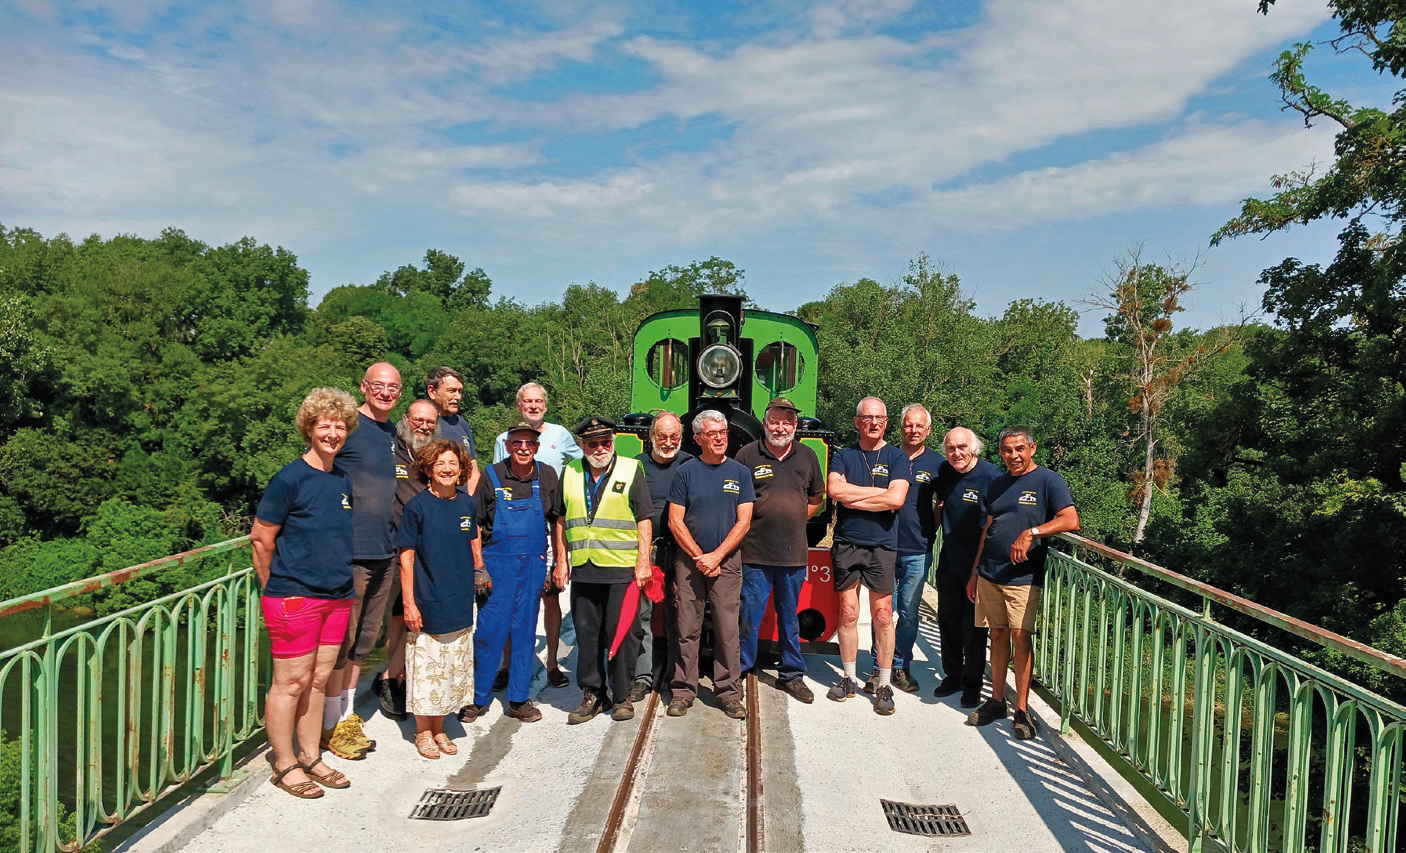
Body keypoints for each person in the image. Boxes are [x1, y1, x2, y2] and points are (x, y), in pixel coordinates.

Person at [250, 387, 360, 799]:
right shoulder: (289, 479)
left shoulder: (341, 479)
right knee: (289, 684)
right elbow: (261, 539)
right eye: (323, 425)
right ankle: (285, 764)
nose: (332, 432)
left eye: (338, 425)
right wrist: (272, 591)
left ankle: (311, 756)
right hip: (294, 596)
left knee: (316, 681)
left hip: (337, 595)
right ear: (309, 429)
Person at [965, 426, 1079, 740]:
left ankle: (1022, 710)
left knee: (1020, 637)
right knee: (997, 635)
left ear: (1032, 449)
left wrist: (1032, 533)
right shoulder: (998, 483)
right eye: (1006, 450)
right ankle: (997, 701)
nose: (1013, 456)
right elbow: (988, 528)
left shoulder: (1049, 481)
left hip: (1023, 576)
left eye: (1019, 449)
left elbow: (1070, 519)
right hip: (990, 572)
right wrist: (975, 571)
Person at [461, 423, 565, 724]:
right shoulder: (490, 476)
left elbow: (557, 521)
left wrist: (557, 562)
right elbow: (474, 525)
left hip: (532, 566)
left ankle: (519, 700)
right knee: (489, 632)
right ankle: (479, 698)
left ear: (537, 446)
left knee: (524, 633)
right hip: (497, 566)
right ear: (508, 446)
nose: (523, 448)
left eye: (529, 443)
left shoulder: (547, 475)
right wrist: (478, 566)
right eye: (517, 443)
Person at [323, 363, 401, 759]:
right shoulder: (348, 425)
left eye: (392, 388)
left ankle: (346, 715)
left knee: (365, 640)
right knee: (341, 640)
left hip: (384, 550)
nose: (385, 393)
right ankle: (328, 723)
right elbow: (318, 471)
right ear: (364, 387)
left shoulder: (391, 432)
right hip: (350, 552)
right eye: (378, 386)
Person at [553, 416, 653, 723]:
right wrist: (561, 560)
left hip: (622, 570)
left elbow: (644, 518)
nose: (600, 448)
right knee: (587, 636)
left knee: (622, 635)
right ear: (582, 445)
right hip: (584, 568)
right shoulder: (569, 472)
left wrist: (644, 562)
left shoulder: (630, 469)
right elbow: (560, 518)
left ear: (613, 443)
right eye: (592, 443)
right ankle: (593, 694)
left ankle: (621, 696)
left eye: (605, 442)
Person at [396, 439, 487, 758]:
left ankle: (440, 729)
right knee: (427, 669)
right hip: (427, 599)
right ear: (428, 470)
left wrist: (481, 570)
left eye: (453, 464)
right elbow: (406, 557)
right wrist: (409, 602)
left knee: (450, 667)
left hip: (459, 599)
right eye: (440, 464)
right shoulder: (417, 507)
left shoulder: (466, 504)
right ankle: (423, 731)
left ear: (461, 469)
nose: (447, 470)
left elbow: (473, 540)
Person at [489, 382, 581, 690]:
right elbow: (496, 479)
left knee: (550, 597)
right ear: (518, 406)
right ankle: (506, 664)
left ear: (545, 404)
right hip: (510, 530)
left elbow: (583, 465)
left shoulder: (560, 435)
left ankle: (552, 663)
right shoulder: (504, 439)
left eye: (538, 401)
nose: (533, 405)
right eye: (527, 401)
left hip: (546, 525)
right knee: (510, 600)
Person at [667, 410, 755, 720]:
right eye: (712, 433)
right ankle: (682, 690)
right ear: (698, 438)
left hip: (727, 564)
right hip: (690, 565)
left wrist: (716, 556)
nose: (719, 438)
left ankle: (729, 692)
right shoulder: (686, 472)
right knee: (686, 629)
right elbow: (674, 521)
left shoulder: (740, 473)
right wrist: (699, 557)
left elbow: (744, 521)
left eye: (723, 432)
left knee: (727, 629)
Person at [825, 396, 910, 715]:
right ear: (857, 421)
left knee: (884, 614)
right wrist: (880, 495)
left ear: (886, 422)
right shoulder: (844, 454)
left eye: (879, 417)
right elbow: (835, 492)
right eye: (867, 417)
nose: (873, 422)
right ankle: (848, 677)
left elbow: (897, 498)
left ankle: (884, 683)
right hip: (848, 542)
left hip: (883, 545)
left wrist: (855, 497)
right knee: (847, 611)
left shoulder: (897, 457)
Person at [736, 398, 824, 703]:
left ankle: (792, 674)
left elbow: (816, 499)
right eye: (775, 421)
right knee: (748, 615)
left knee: (789, 617)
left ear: (795, 426)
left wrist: (795, 517)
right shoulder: (747, 455)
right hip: (754, 553)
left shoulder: (808, 456)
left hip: (794, 554)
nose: (780, 427)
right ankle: (742, 669)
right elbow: (738, 502)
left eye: (787, 422)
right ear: (765, 423)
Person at [865, 404, 943, 695]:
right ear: (901, 427)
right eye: (908, 425)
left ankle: (900, 665)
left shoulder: (937, 464)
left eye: (919, 426)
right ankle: (878, 665)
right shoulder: (886, 455)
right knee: (881, 610)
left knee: (909, 612)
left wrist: (929, 531)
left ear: (928, 430)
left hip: (917, 548)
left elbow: (943, 504)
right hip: (883, 544)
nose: (913, 431)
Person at [373, 398, 440, 721]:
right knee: (398, 618)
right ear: (405, 420)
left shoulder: (434, 454)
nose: (424, 426)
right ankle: (392, 678)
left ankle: (392, 677)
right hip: (393, 548)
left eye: (430, 421)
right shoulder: (389, 450)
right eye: (418, 420)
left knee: (418, 616)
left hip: (427, 549)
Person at [933, 427, 999, 707]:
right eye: (951, 448)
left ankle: (973, 683)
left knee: (974, 625)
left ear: (974, 448)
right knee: (947, 619)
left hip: (980, 562)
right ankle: (953, 676)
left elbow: (996, 522)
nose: (956, 453)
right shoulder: (945, 472)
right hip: (949, 557)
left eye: (962, 447)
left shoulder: (992, 477)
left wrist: (977, 571)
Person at [631, 412, 692, 702]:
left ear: (681, 437)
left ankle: (672, 674)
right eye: (662, 436)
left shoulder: (691, 464)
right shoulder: (636, 466)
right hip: (647, 549)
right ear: (651, 437)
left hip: (681, 550)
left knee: (679, 615)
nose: (668, 442)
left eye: (674, 437)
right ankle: (642, 675)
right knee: (641, 614)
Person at [426, 366, 477, 460]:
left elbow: (472, 466)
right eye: (451, 391)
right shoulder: (421, 424)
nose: (458, 397)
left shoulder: (461, 423)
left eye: (460, 391)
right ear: (432, 391)